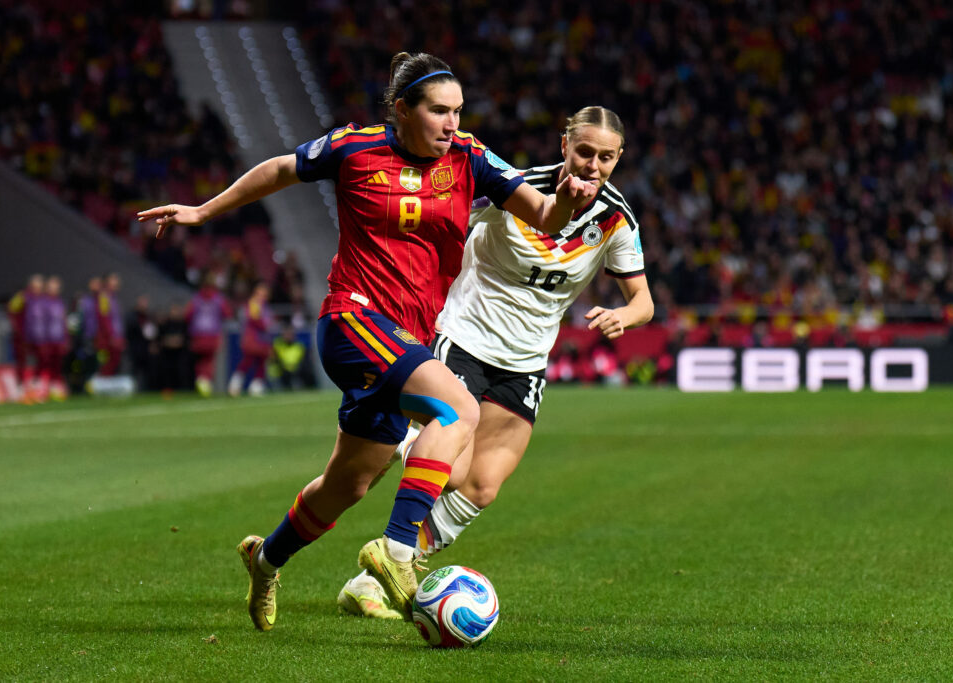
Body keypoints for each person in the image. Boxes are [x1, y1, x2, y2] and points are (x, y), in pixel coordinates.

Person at [138, 51, 595, 630]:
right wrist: (204, 212)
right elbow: (281, 168)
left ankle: (266, 558)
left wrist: (569, 202)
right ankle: (399, 550)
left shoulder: (471, 158)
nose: (452, 123)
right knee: (459, 409)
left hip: (408, 338)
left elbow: (546, 217)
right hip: (353, 319)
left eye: (457, 111)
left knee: (349, 482)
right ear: (402, 110)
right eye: (438, 111)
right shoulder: (354, 148)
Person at [336, 106, 655, 618]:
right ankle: (389, 435)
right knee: (453, 466)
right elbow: (441, 218)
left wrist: (626, 315)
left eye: (607, 157)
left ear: (619, 159)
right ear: (564, 146)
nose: (594, 164)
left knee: (481, 485)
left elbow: (644, 301)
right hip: (463, 337)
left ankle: (370, 581)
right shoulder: (513, 190)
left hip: (526, 360)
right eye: (585, 152)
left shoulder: (616, 219)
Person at [185, 273, 232, 396]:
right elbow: (227, 313)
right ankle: (204, 382)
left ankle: (201, 380)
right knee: (209, 360)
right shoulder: (218, 299)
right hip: (212, 334)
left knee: (200, 360)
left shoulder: (196, 298)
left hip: (198, 335)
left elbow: (188, 315)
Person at [227, 281, 274, 397]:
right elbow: (255, 319)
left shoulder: (264, 305)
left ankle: (256, 387)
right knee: (247, 361)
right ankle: (235, 385)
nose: (263, 294)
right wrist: (265, 325)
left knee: (261, 363)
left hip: (262, 339)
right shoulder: (253, 303)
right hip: (253, 338)